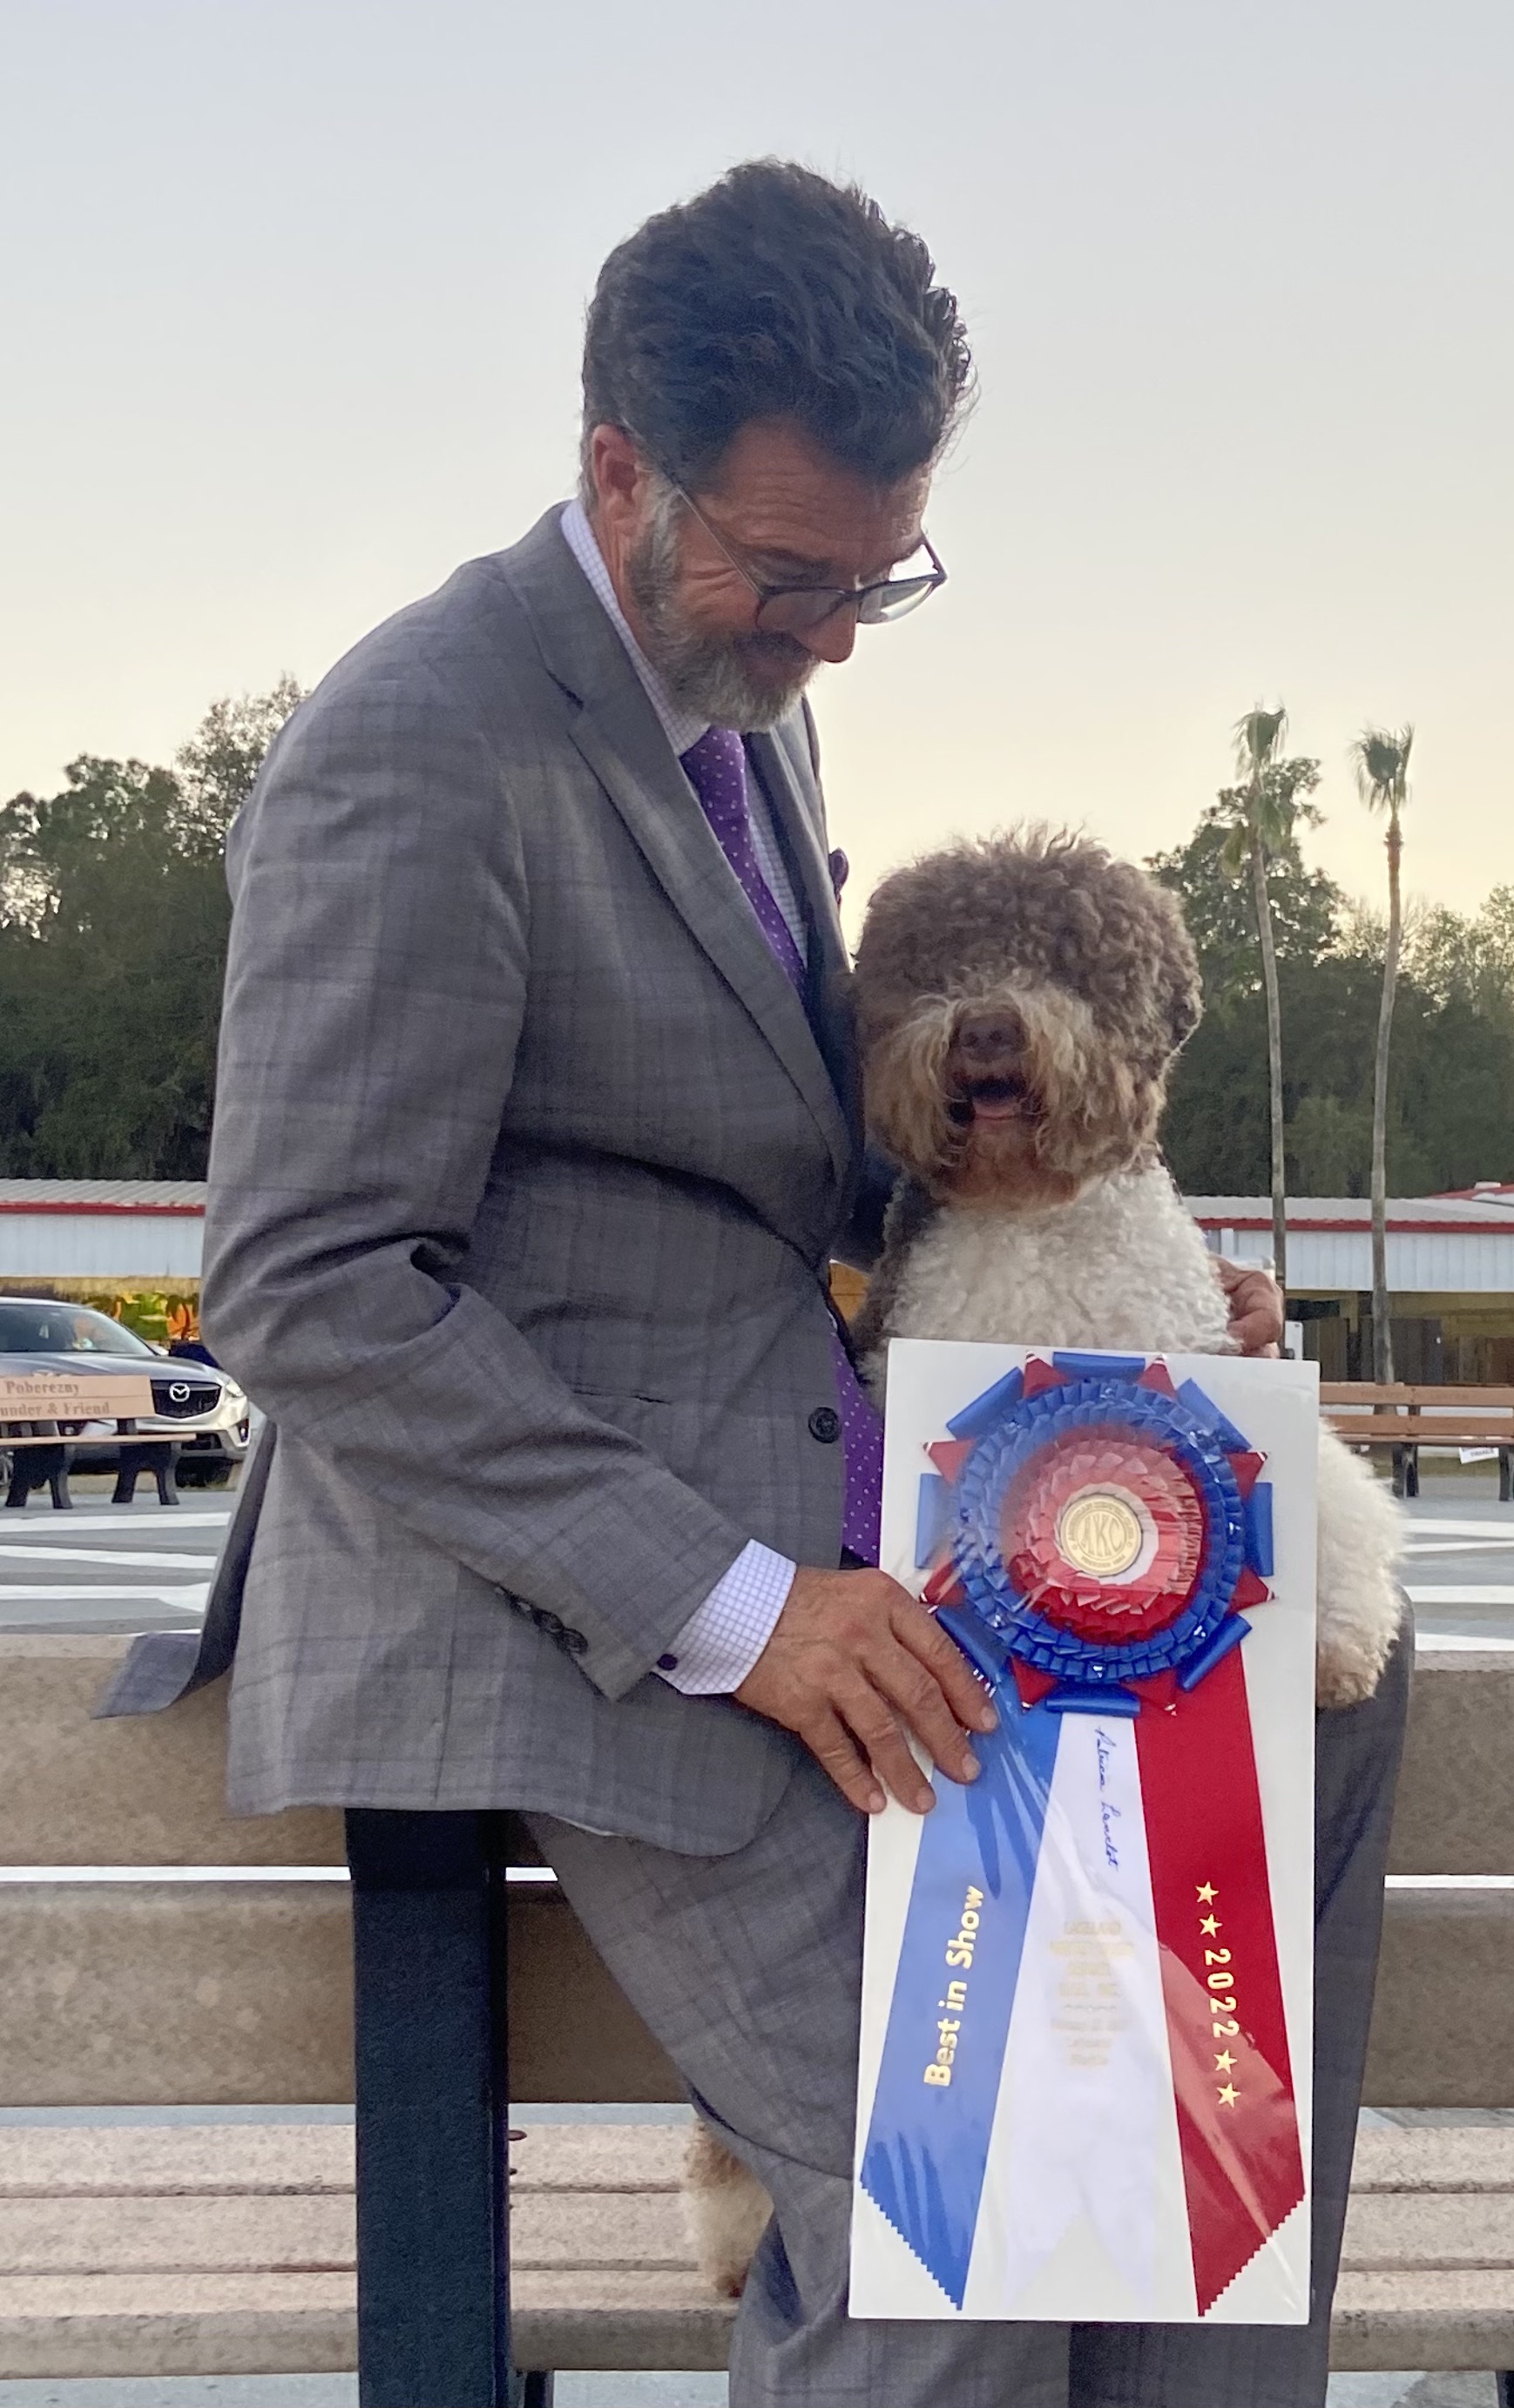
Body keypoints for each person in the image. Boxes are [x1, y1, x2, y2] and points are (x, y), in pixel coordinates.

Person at [101, 161, 1406, 2405]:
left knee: (1335, 1711)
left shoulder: (744, 697)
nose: (829, 635)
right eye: (792, 571)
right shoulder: (418, 745)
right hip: (579, 1610)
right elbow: (309, 1283)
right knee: (974, 2194)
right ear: (621, 467)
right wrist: (738, 1604)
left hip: (863, 1537)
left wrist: (1143, 1334)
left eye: (879, 579)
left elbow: (798, 1172)